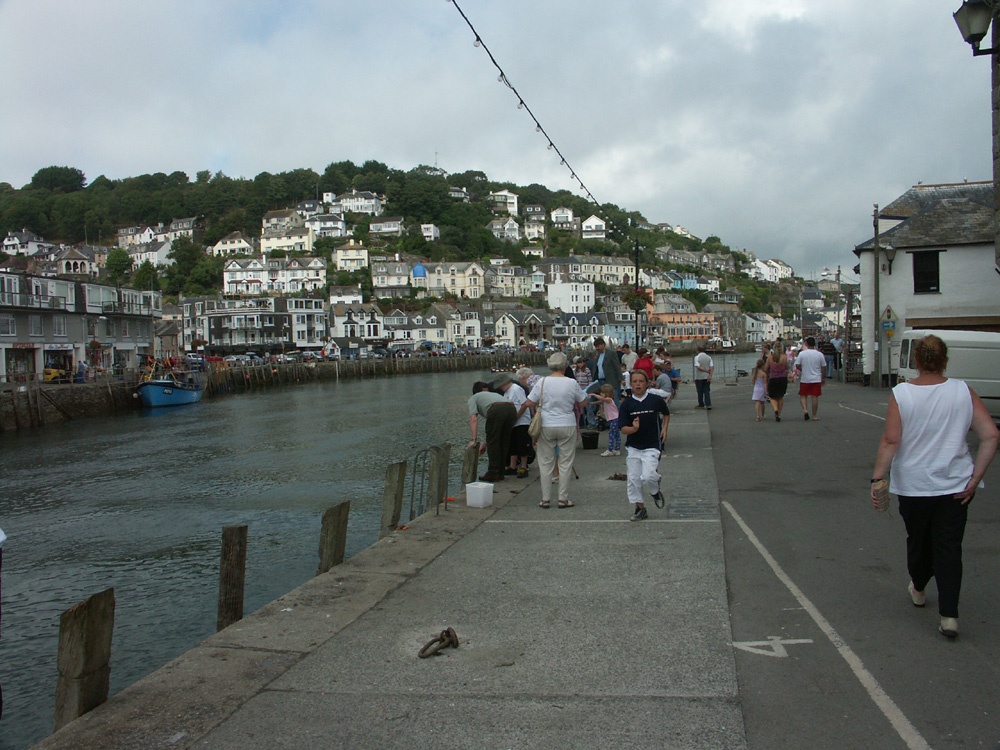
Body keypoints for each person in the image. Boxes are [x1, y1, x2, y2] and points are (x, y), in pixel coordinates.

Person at [870, 334, 998, 639]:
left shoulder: (902, 394)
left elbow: (891, 440)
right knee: (949, 547)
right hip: (955, 485)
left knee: (918, 540)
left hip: (915, 485)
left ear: (916, 361)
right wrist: (975, 478)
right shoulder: (963, 392)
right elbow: (990, 434)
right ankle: (949, 615)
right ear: (945, 360)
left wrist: (878, 477)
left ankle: (918, 585)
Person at [518, 352, 589, 509]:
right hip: (567, 424)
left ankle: (545, 499)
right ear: (565, 365)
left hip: (546, 425)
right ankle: (563, 499)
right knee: (565, 462)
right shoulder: (571, 382)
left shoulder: (542, 382)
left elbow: (529, 402)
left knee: (545, 462)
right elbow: (583, 402)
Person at [619, 370, 670, 521]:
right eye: (634, 382)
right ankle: (640, 508)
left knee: (648, 476)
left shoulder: (655, 400)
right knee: (634, 479)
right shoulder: (627, 404)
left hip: (652, 445)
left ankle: (655, 490)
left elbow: (666, 413)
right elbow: (623, 428)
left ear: (647, 383)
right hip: (633, 446)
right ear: (631, 384)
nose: (638, 384)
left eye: (641, 381)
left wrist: (665, 429)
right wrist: (633, 429)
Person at [467, 379, 518, 483]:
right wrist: (485, 443)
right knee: (504, 442)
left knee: (494, 444)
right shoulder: (493, 395)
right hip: (511, 408)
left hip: (496, 409)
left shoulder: (473, 398)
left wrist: (473, 439)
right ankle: (501, 473)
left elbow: (473, 419)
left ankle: (493, 473)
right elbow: (494, 431)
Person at [502, 372, 533, 479]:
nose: (501, 388)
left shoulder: (516, 389)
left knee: (523, 444)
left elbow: (524, 404)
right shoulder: (506, 393)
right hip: (513, 423)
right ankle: (512, 466)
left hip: (522, 422)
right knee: (513, 445)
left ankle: (524, 466)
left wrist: (516, 417)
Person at [586, 337, 622, 426]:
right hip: (600, 381)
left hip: (611, 381)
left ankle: (618, 421)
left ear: (603, 345)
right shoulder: (597, 356)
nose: (597, 348)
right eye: (596, 347)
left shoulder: (611, 353)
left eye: (599, 346)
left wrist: (620, 379)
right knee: (603, 402)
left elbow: (617, 366)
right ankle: (605, 421)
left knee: (615, 401)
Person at [795, 336, 826, 420]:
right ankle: (814, 415)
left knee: (803, 395)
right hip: (816, 378)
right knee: (815, 396)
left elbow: (797, 365)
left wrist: (802, 369)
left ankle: (805, 410)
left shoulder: (802, 353)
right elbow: (823, 367)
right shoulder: (819, 354)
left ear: (806, 344)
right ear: (815, 344)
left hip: (805, 377)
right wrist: (823, 378)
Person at [588, 383, 621, 457]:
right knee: (616, 434)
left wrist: (594, 395)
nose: (600, 394)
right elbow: (600, 401)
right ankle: (617, 449)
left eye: (602, 392)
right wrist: (592, 403)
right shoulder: (607, 400)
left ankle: (610, 449)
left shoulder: (609, 399)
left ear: (607, 393)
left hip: (614, 419)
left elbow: (602, 399)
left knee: (612, 434)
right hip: (615, 418)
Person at [766, 341, 789, 422]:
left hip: (773, 379)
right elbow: (787, 367)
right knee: (780, 396)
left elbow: (766, 368)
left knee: (772, 397)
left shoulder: (770, 357)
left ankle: (775, 410)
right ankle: (778, 413)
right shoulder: (784, 357)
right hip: (782, 378)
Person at [693, 344, 713, 410]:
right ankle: (708, 404)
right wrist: (710, 375)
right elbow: (712, 366)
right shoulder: (709, 357)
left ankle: (701, 404)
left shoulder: (697, 357)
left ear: (698, 350)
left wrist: (706, 371)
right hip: (707, 377)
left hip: (699, 377)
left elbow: (698, 367)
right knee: (707, 390)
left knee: (700, 391)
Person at [750, 357, 768, 422]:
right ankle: (763, 414)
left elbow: (753, 382)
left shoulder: (755, 373)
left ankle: (757, 415)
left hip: (756, 389)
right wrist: (766, 391)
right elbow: (765, 383)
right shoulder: (763, 374)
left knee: (757, 402)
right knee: (762, 403)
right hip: (762, 389)